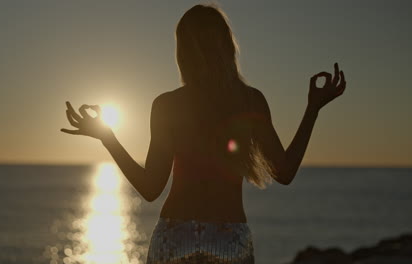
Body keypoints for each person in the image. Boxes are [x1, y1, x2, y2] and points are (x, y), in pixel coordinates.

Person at [61, 4, 346, 264]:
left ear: (182, 52)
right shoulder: (250, 101)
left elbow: (150, 189)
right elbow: (284, 172)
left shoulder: (167, 104)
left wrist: (107, 137)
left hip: (175, 236)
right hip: (229, 238)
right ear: (227, 47)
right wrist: (312, 110)